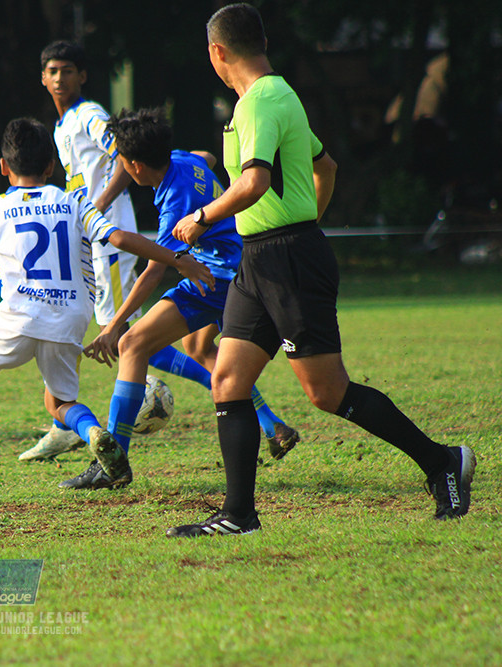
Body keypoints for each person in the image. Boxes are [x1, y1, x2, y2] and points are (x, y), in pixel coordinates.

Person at [165, 4, 474, 537]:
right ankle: (238, 516)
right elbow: (324, 167)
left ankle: (442, 461)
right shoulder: (264, 100)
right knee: (228, 379)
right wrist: (306, 219)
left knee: (326, 393)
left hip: (287, 260)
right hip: (261, 259)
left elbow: (255, 182)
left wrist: (202, 216)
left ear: (218, 52)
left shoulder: (263, 100)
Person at [0, 118, 215, 504]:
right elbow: (119, 237)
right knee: (60, 403)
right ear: (51, 166)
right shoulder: (74, 200)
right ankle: (94, 431)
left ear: (3, 166)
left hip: (16, 317)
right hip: (70, 317)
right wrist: (178, 261)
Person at [59, 108, 298, 490]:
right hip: (241, 267)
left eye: (120, 161)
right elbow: (208, 157)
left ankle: (113, 462)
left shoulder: (174, 203)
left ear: (134, 166)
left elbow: (156, 268)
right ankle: (274, 427)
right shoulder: (183, 160)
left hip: (215, 277)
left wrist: (116, 325)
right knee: (200, 348)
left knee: (133, 343)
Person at [21, 39, 232, 462]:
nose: (60, 78)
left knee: (126, 338)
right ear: (43, 78)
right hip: (91, 240)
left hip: (111, 238)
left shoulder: (89, 115)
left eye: (67, 70)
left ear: (82, 75)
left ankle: (212, 386)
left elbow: (124, 155)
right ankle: (66, 422)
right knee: (82, 328)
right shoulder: (61, 127)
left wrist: (96, 207)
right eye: (52, 71)